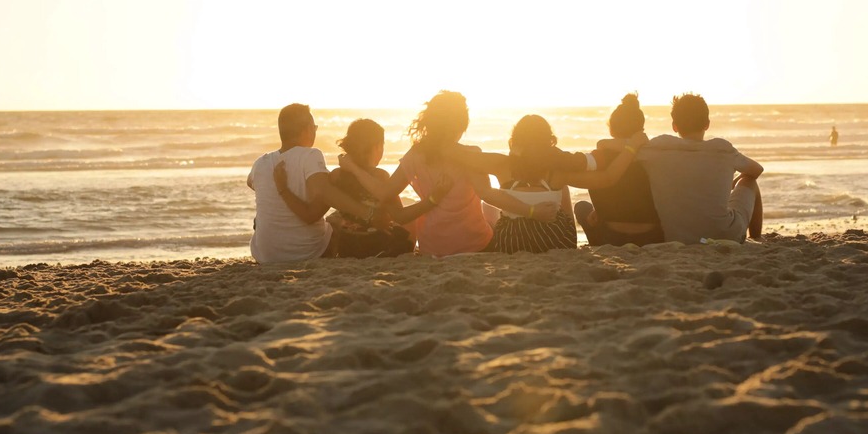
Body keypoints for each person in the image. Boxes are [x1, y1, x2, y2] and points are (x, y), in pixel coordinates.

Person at [339, 91, 560, 256]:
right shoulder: (469, 155)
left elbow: (384, 192)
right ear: (462, 124)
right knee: (489, 213)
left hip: (433, 250)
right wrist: (532, 211)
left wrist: (353, 168)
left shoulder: (415, 155)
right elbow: (488, 194)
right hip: (476, 246)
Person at [446, 114, 648, 253]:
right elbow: (608, 178)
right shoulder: (557, 171)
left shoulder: (502, 165)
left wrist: (434, 140)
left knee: (491, 209)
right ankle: (570, 239)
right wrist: (631, 148)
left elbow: (460, 156)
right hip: (554, 240)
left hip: (513, 242)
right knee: (562, 189)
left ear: (515, 141)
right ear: (548, 141)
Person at [603, 93, 763, 244]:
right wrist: (730, 183)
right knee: (749, 181)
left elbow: (616, 145)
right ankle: (757, 238)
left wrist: (612, 144)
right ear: (707, 124)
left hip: (679, 237)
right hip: (727, 236)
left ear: (674, 126)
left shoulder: (658, 148)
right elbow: (756, 170)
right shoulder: (723, 149)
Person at [273, 118, 445, 258]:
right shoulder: (380, 177)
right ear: (377, 147)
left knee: (334, 217)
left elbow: (321, 205)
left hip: (348, 247)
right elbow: (399, 216)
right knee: (412, 221)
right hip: (378, 245)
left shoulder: (337, 175)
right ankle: (407, 252)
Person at [246, 104, 392, 263]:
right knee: (336, 221)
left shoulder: (261, 163)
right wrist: (368, 214)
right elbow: (325, 194)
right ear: (308, 129)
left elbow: (251, 183)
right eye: (314, 127)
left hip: (264, 255)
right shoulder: (310, 155)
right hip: (306, 252)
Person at [573, 93, 666, 247]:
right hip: (652, 237)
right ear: (641, 129)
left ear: (611, 129)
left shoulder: (599, 157)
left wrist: (601, 209)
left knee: (582, 207)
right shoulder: (651, 156)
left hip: (612, 238)